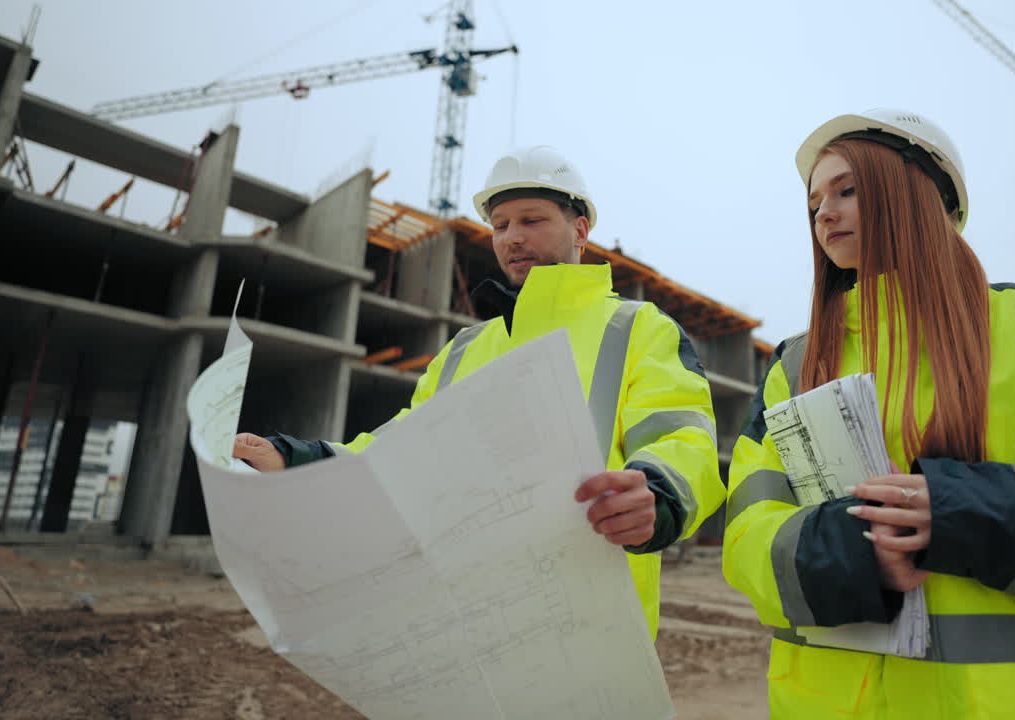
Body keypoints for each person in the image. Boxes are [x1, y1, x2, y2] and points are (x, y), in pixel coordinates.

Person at [722, 108, 1015, 718]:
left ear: (918, 194)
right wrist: (846, 549)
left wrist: (969, 513)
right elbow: (746, 533)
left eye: (847, 190)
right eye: (814, 202)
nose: (823, 214)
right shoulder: (793, 366)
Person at [235, 146, 724, 639]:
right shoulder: (463, 349)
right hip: (466, 627)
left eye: (531, 220)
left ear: (580, 230)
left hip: (593, 630)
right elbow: (400, 454)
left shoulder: (637, 329)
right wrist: (300, 461)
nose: (512, 237)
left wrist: (657, 494)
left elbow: (681, 437)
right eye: (500, 225)